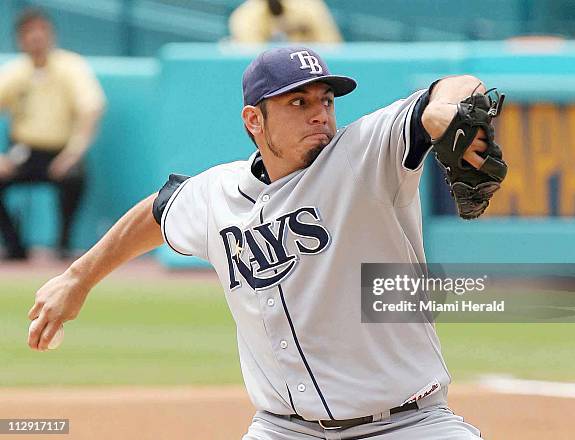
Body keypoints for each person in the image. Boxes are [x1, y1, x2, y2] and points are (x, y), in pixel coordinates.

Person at [28, 47, 504, 438]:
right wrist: (77, 279)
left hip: (407, 425)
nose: (320, 115)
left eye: (326, 101)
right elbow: (158, 211)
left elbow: (453, 89)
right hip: (282, 430)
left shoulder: (366, 153)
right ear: (254, 120)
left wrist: (447, 110)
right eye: (299, 103)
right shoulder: (218, 194)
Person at [0, 9, 106, 260]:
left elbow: (92, 108)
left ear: (51, 34)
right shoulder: (15, 72)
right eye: (28, 32)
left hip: (61, 152)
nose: (36, 37)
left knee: (75, 176)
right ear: (20, 38)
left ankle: (63, 244)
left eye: (41, 30)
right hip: (23, 152)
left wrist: (72, 153)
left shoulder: (71, 66)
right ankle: (14, 246)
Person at [229, 0, 342, 43]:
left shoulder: (310, 7)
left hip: (309, 75)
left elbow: (331, 47)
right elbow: (251, 60)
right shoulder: (245, 15)